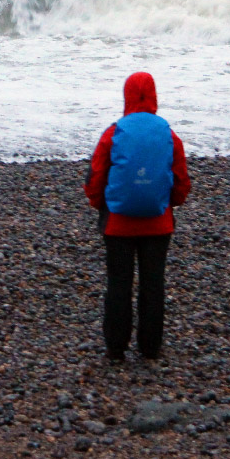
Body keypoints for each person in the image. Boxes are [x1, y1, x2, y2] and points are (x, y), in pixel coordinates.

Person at [83, 71, 191, 362]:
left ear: (126, 95)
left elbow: (96, 177)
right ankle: (150, 348)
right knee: (153, 284)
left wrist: (101, 206)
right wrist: (171, 205)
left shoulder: (114, 132)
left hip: (118, 224)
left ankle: (116, 348)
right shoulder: (168, 134)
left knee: (119, 283)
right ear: (154, 95)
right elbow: (181, 180)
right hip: (158, 222)